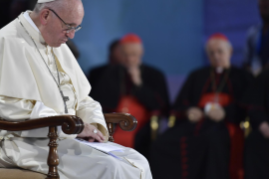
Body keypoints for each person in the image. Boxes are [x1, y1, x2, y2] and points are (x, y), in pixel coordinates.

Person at [0, 0, 152, 179]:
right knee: (110, 167)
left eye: (76, 28)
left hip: (59, 135)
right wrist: (72, 127)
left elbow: (82, 98)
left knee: (138, 161)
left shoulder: (56, 42)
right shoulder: (8, 42)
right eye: (68, 27)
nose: (71, 35)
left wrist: (92, 126)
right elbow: (9, 109)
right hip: (15, 141)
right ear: (46, 15)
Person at [150, 33, 254, 179]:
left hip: (225, 124)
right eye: (211, 53)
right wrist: (189, 111)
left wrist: (225, 112)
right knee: (161, 143)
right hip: (195, 123)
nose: (216, 56)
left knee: (211, 140)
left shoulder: (242, 76)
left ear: (229, 52)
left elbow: (248, 105)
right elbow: (181, 103)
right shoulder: (197, 75)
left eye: (220, 51)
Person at [90, 33, 170, 159]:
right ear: (120, 54)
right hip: (114, 123)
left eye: (133, 55)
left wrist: (138, 83)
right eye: (126, 55)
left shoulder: (155, 74)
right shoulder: (109, 73)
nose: (130, 59)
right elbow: (98, 102)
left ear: (141, 52)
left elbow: (160, 106)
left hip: (143, 125)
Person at [243, 70, 269, 179]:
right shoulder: (265, 76)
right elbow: (254, 107)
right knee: (253, 142)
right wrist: (263, 125)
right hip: (266, 130)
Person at [243, 0, 269, 75]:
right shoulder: (253, 33)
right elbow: (246, 61)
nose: (263, 11)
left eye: (266, 7)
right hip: (257, 79)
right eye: (260, 7)